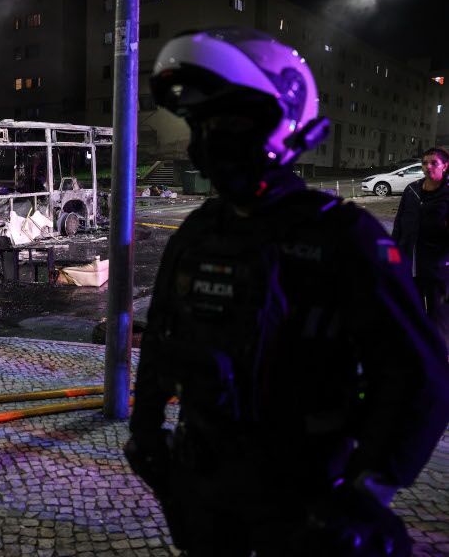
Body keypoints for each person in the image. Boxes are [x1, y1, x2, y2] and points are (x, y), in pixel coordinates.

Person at [125, 27, 449, 557]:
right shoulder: (200, 232)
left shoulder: (344, 238)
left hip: (306, 495)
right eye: (200, 123)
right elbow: (161, 338)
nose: (209, 138)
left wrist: (363, 495)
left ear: (279, 124)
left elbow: (423, 380)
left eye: (228, 121)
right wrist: (147, 438)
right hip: (205, 489)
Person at [392, 146, 449, 341]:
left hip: (437, 268)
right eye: (425, 162)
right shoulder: (412, 190)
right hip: (409, 262)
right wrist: (393, 255)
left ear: (445, 166)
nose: (428, 167)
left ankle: (438, 355)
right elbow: (399, 223)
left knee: (437, 315)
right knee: (411, 310)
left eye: (434, 163)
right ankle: (416, 350)